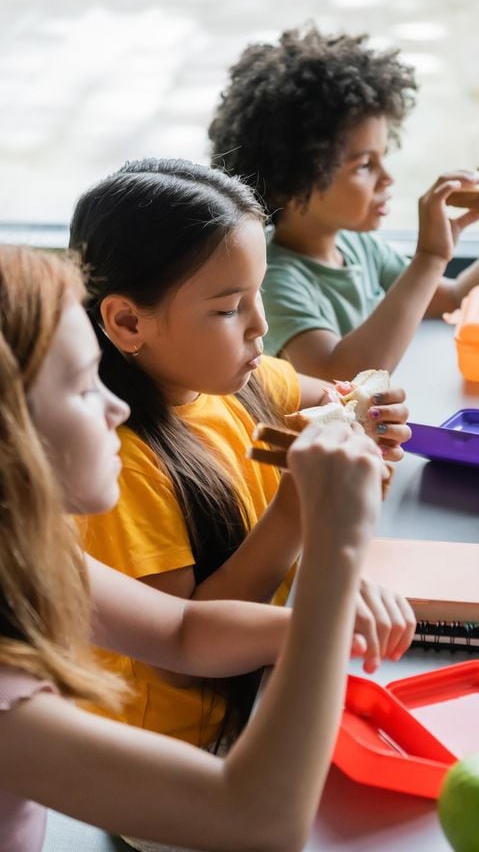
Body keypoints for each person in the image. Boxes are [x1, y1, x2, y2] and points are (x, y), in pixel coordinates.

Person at [0, 242, 395, 852]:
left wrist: (323, 621)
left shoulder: (28, 556)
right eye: (83, 389)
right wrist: (334, 552)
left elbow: (182, 631)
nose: (118, 405)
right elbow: (259, 822)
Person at [68, 160, 414, 767]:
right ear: (128, 322)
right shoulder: (119, 464)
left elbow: (335, 397)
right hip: (187, 756)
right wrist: (295, 518)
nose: (262, 325)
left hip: (273, 678)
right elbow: (181, 650)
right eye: (229, 309)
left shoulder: (242, 384)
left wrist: (369, 417)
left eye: (258, 293)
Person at [208, 25, 479, 380]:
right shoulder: (270, 280)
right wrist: (430, 258)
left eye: (383, 157)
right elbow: (339, 373)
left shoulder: (358, 247)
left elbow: (457, 301)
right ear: (293, 180)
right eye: (366, 165)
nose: (387, 178)